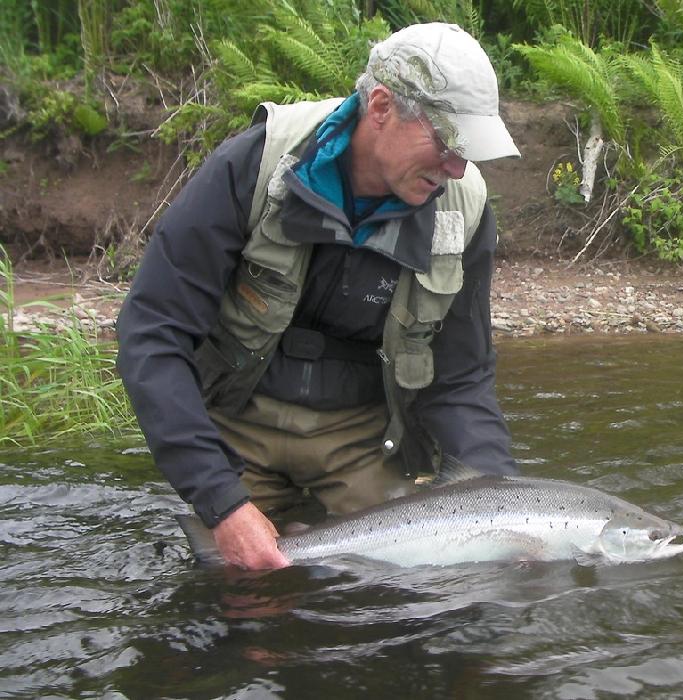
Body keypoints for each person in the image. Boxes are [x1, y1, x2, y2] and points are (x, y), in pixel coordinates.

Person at [116, 23, 520, 570]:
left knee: (405, 599)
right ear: (380, 106)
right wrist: (221, 498)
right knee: (239, 604)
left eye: (467, 152)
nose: (457, 169)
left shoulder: (463, 210)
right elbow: (152, 333)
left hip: (362, 437)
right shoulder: (254, 166)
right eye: (448, 144)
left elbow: (461, 377)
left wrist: (501, 504)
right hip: (234, 422)